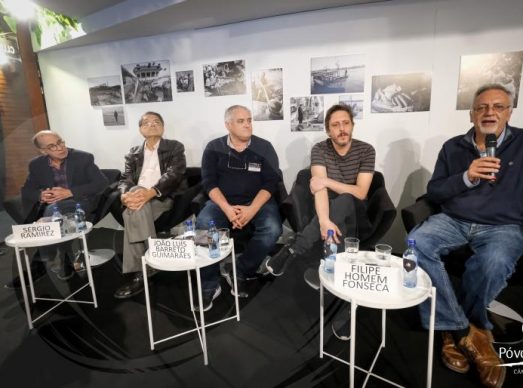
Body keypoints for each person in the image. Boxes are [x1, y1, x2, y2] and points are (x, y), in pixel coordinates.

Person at [408, 84, 523, 388]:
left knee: (493, 262)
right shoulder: (453, 147)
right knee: (416, 246)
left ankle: (456, 330)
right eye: (482, 107)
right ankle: (466, 330)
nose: (489, 112)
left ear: (509, 112)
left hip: (505, 225)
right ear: (471, 114)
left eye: (498, 106)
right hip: (454, 219)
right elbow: (435, 191)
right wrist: (467, 177)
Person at [266, 104, 375, 338]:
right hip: (328, 211)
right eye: (335, 125)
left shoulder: (366, 150)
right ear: (328, 131)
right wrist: (325, 221)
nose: (341, 129)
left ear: (352, 125)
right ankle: (344, 308)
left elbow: (361, 193)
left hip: (357, 213)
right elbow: (319, 190)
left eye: (345, 123)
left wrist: (327, 183)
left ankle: (294, 249)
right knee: (337, 220)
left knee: (345, 199)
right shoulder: (320, 150)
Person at [197, 105, 282, 310]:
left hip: (257, 202)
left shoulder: (264, 147)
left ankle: (241, 269)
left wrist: (252, 209)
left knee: (272, 229)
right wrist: (226, 208)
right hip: (222, 202)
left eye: (249, 120)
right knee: (203, 226)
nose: (247, 124)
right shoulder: (213, 147)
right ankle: (210, 283)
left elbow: (271, 183)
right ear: (228, 125)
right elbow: (209, 182)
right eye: (241, 121)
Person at [7, 130, 108, 287]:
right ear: (43, 151)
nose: (60, 147)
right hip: (52, 206)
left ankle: (44, 260)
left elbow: (101, 183)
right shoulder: (36, 164)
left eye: (60, 142)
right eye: (52, 146)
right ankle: (62, 257)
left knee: (53, 211)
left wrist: (69, 192)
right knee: (52, 211)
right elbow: (26, 190)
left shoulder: (83, 158)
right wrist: (41, 195)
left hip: (80, 202)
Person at [113, 112, 186, 299]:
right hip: (139, 199)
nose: (152, 124)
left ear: (163, 127)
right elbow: (125, 179)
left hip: (161, 197)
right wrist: (124, 197)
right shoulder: (133, 153)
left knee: (132, 212)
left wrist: (149, 193)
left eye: (157, 122)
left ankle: (140, 272)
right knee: (135, 207)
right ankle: (150, 265)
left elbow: (174, 175)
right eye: (147, 122)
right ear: (140, 129)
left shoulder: (175, 147)